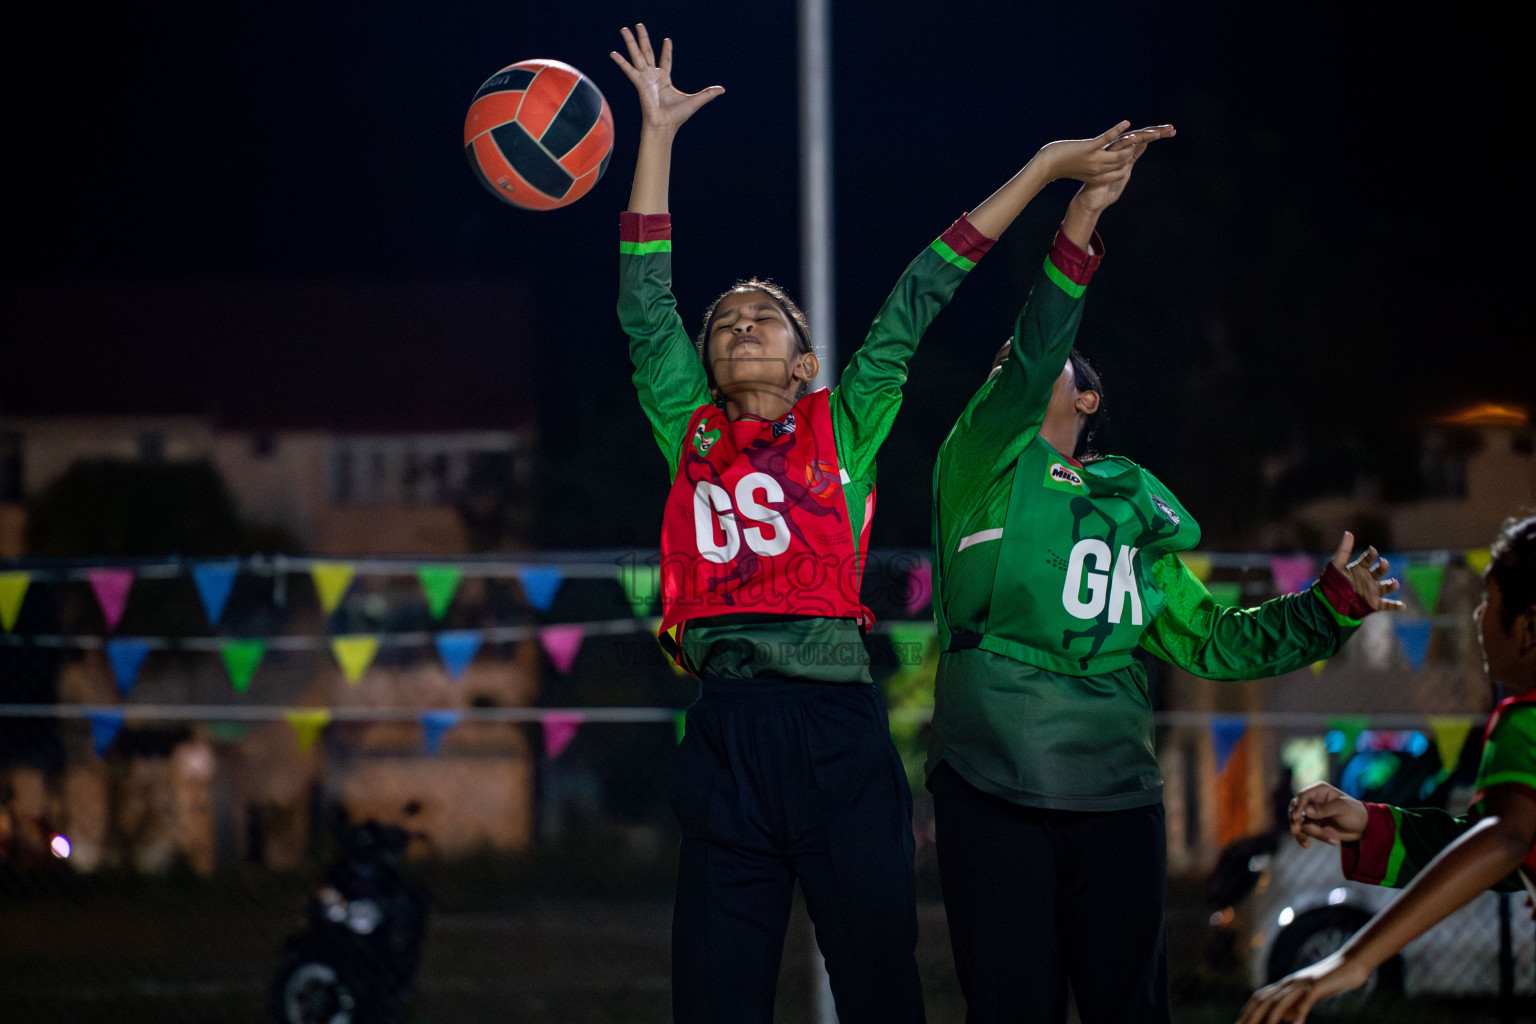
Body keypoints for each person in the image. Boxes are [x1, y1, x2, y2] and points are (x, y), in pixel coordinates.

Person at [609, 22, 1166, 1024]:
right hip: (728, 728)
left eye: (764, 316)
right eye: (725, 317)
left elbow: (921, 291)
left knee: (880, 988)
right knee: (713, 997)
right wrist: (657, 134)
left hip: (836, 729)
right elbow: (646, 302)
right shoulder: (687, 430)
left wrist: (1044, 170)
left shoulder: (847, 420)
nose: (738, 321)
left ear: (804, 364)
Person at [924, 139, 1406, 1024]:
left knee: (1128, 1006)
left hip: (1114, 790)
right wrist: (1081, 215)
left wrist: (1329, 606)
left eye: (1036, 366)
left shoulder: (1131, 505)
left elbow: (1213, 640)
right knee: (1011, 1004)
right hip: (991, 773)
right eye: (1006, 364)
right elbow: (1036, 346)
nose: (1014, 369)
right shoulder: (977, 461)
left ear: (1090, 402)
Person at [1239, 513, 1536, 1024]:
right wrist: (1371, 825)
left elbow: (1505, 841)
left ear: (1529, 627)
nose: (1477, 616)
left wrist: (1349, 962)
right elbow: (1493, 850)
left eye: (1488, 600)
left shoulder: (1525, 722)